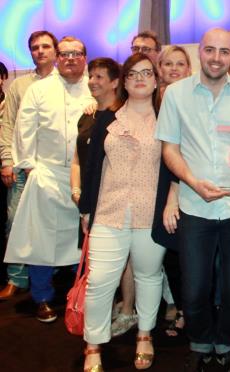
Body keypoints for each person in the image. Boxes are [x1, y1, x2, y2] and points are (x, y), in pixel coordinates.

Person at [156, 28, 230, 372]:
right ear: (200, 52)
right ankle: (201, 343)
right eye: (210, 50)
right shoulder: (175, 95)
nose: (217, 58)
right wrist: (191, 181)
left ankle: (226, 345)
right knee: (193, 291)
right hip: (195, 207)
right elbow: (169, 149)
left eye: (224, 51)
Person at [79, 53, 165, 371]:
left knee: (148, 275)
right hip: (108, 210)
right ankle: (93, 345)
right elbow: (91, 167)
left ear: (156, 80)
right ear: (124, 81)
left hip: (149, 213)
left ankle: (145, 334)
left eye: (147, 73)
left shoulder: (166, 119)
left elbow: (173, 168)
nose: (140, 78)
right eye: (133, 73)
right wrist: (86, 209)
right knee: (100, 280)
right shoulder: (106, 118)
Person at [3, 36, 94, 322]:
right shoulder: (39, 90)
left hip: (86, 178)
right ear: (57, 57)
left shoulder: (95, 88)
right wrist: (30, 167)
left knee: (85, 241)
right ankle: (42, 296)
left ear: (84, 57)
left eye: (76, 53)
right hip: (47, 175)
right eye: (65, 54)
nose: (70, 58)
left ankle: (84, 297)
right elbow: (24, 129)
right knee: (41, 240)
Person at [110, 30, 166, 338]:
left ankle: (149, 325)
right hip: (119, 206)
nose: (140, 78)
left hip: (156, 205)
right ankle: (128, 310)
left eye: (148, 52)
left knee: (151, 270)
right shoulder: (113, 115)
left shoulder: (168, 108)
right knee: (123, 266)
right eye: (136, 50)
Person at [0, 30, 58, 300]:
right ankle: (16, 278)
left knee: (51, 225)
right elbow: (7, 125)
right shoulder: (19, 86)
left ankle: (54, 277)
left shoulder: (69, 83)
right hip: (22, 169)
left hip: (53, 170)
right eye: (35, 47)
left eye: (46, 46)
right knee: (15, 222)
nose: (40, 51)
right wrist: (6, 161)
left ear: (55, 51)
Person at [154, 44, 192, 337]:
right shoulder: (147, 100)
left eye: (181, 64)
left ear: (189, 69)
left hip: (177, 187)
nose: (175, 69)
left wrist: (173, 195)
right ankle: (169, 304)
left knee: (179, 254)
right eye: (169, 64)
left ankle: (184, 309)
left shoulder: (194, 101)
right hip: (150, 187)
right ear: (159, 68)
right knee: (158, 254)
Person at [70, 58, 122, 208]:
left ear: (114, 82)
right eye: (90, 76)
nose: (92, 81)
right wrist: (75, 192)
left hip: (112, 202)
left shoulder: (123, 116)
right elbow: (77, 160)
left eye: (99, 77)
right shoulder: (86, 116)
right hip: (86, 199)